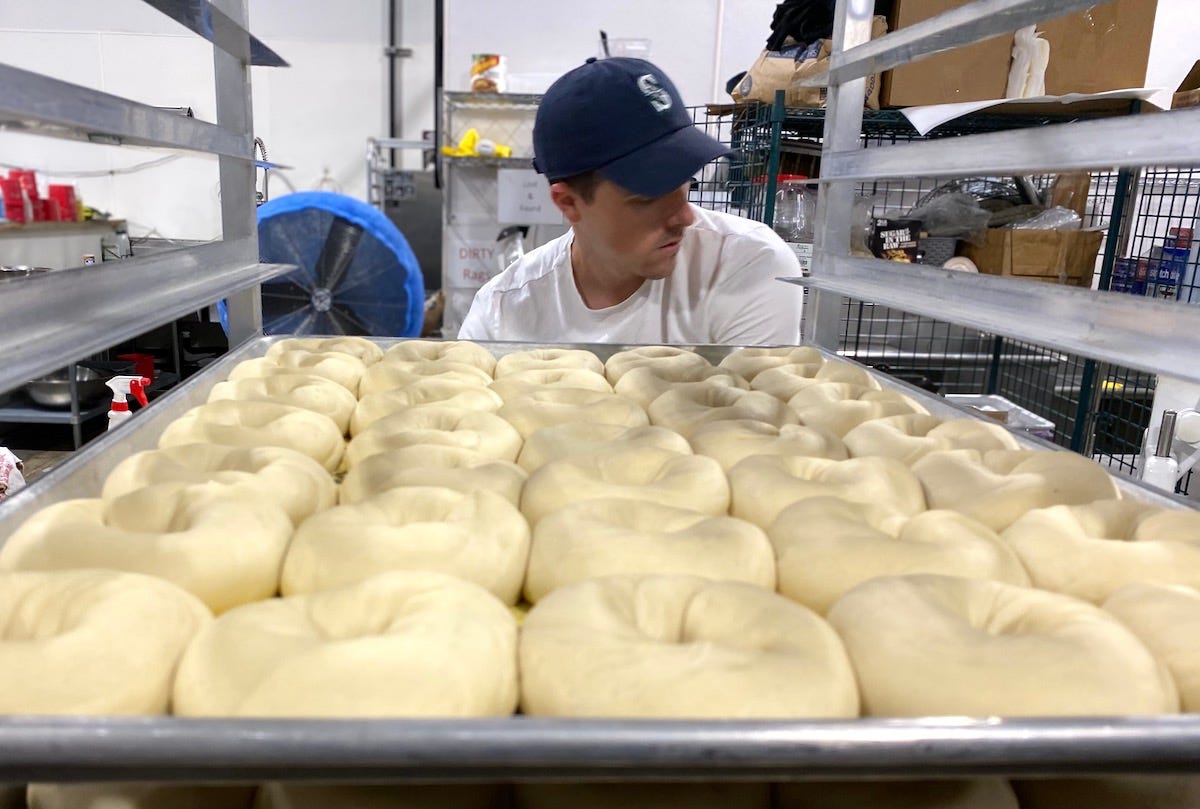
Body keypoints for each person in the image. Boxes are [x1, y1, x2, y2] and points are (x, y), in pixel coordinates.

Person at [458, 56, 803, 345]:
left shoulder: (748, 266)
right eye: (648, 195)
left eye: (686, 182)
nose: (684, 217)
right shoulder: (503, 314)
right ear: (568, 203)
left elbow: (751, 423)